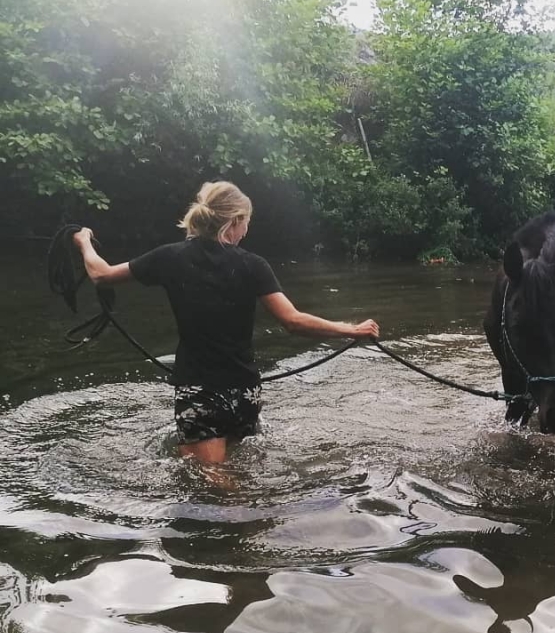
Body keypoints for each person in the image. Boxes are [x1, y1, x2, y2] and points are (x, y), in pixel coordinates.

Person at [72, 181, 380, 465]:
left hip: (200, 390)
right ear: (234, 221)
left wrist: (84, 241)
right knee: (238, 468)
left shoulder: (169, 258)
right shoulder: (253, 265)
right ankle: (259, 519)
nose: (246, 231)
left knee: (211, 484)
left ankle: (256, 522)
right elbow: (293, 322)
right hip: (245, 392)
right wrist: (352, 329)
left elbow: (101, 275)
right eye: (246, 222)